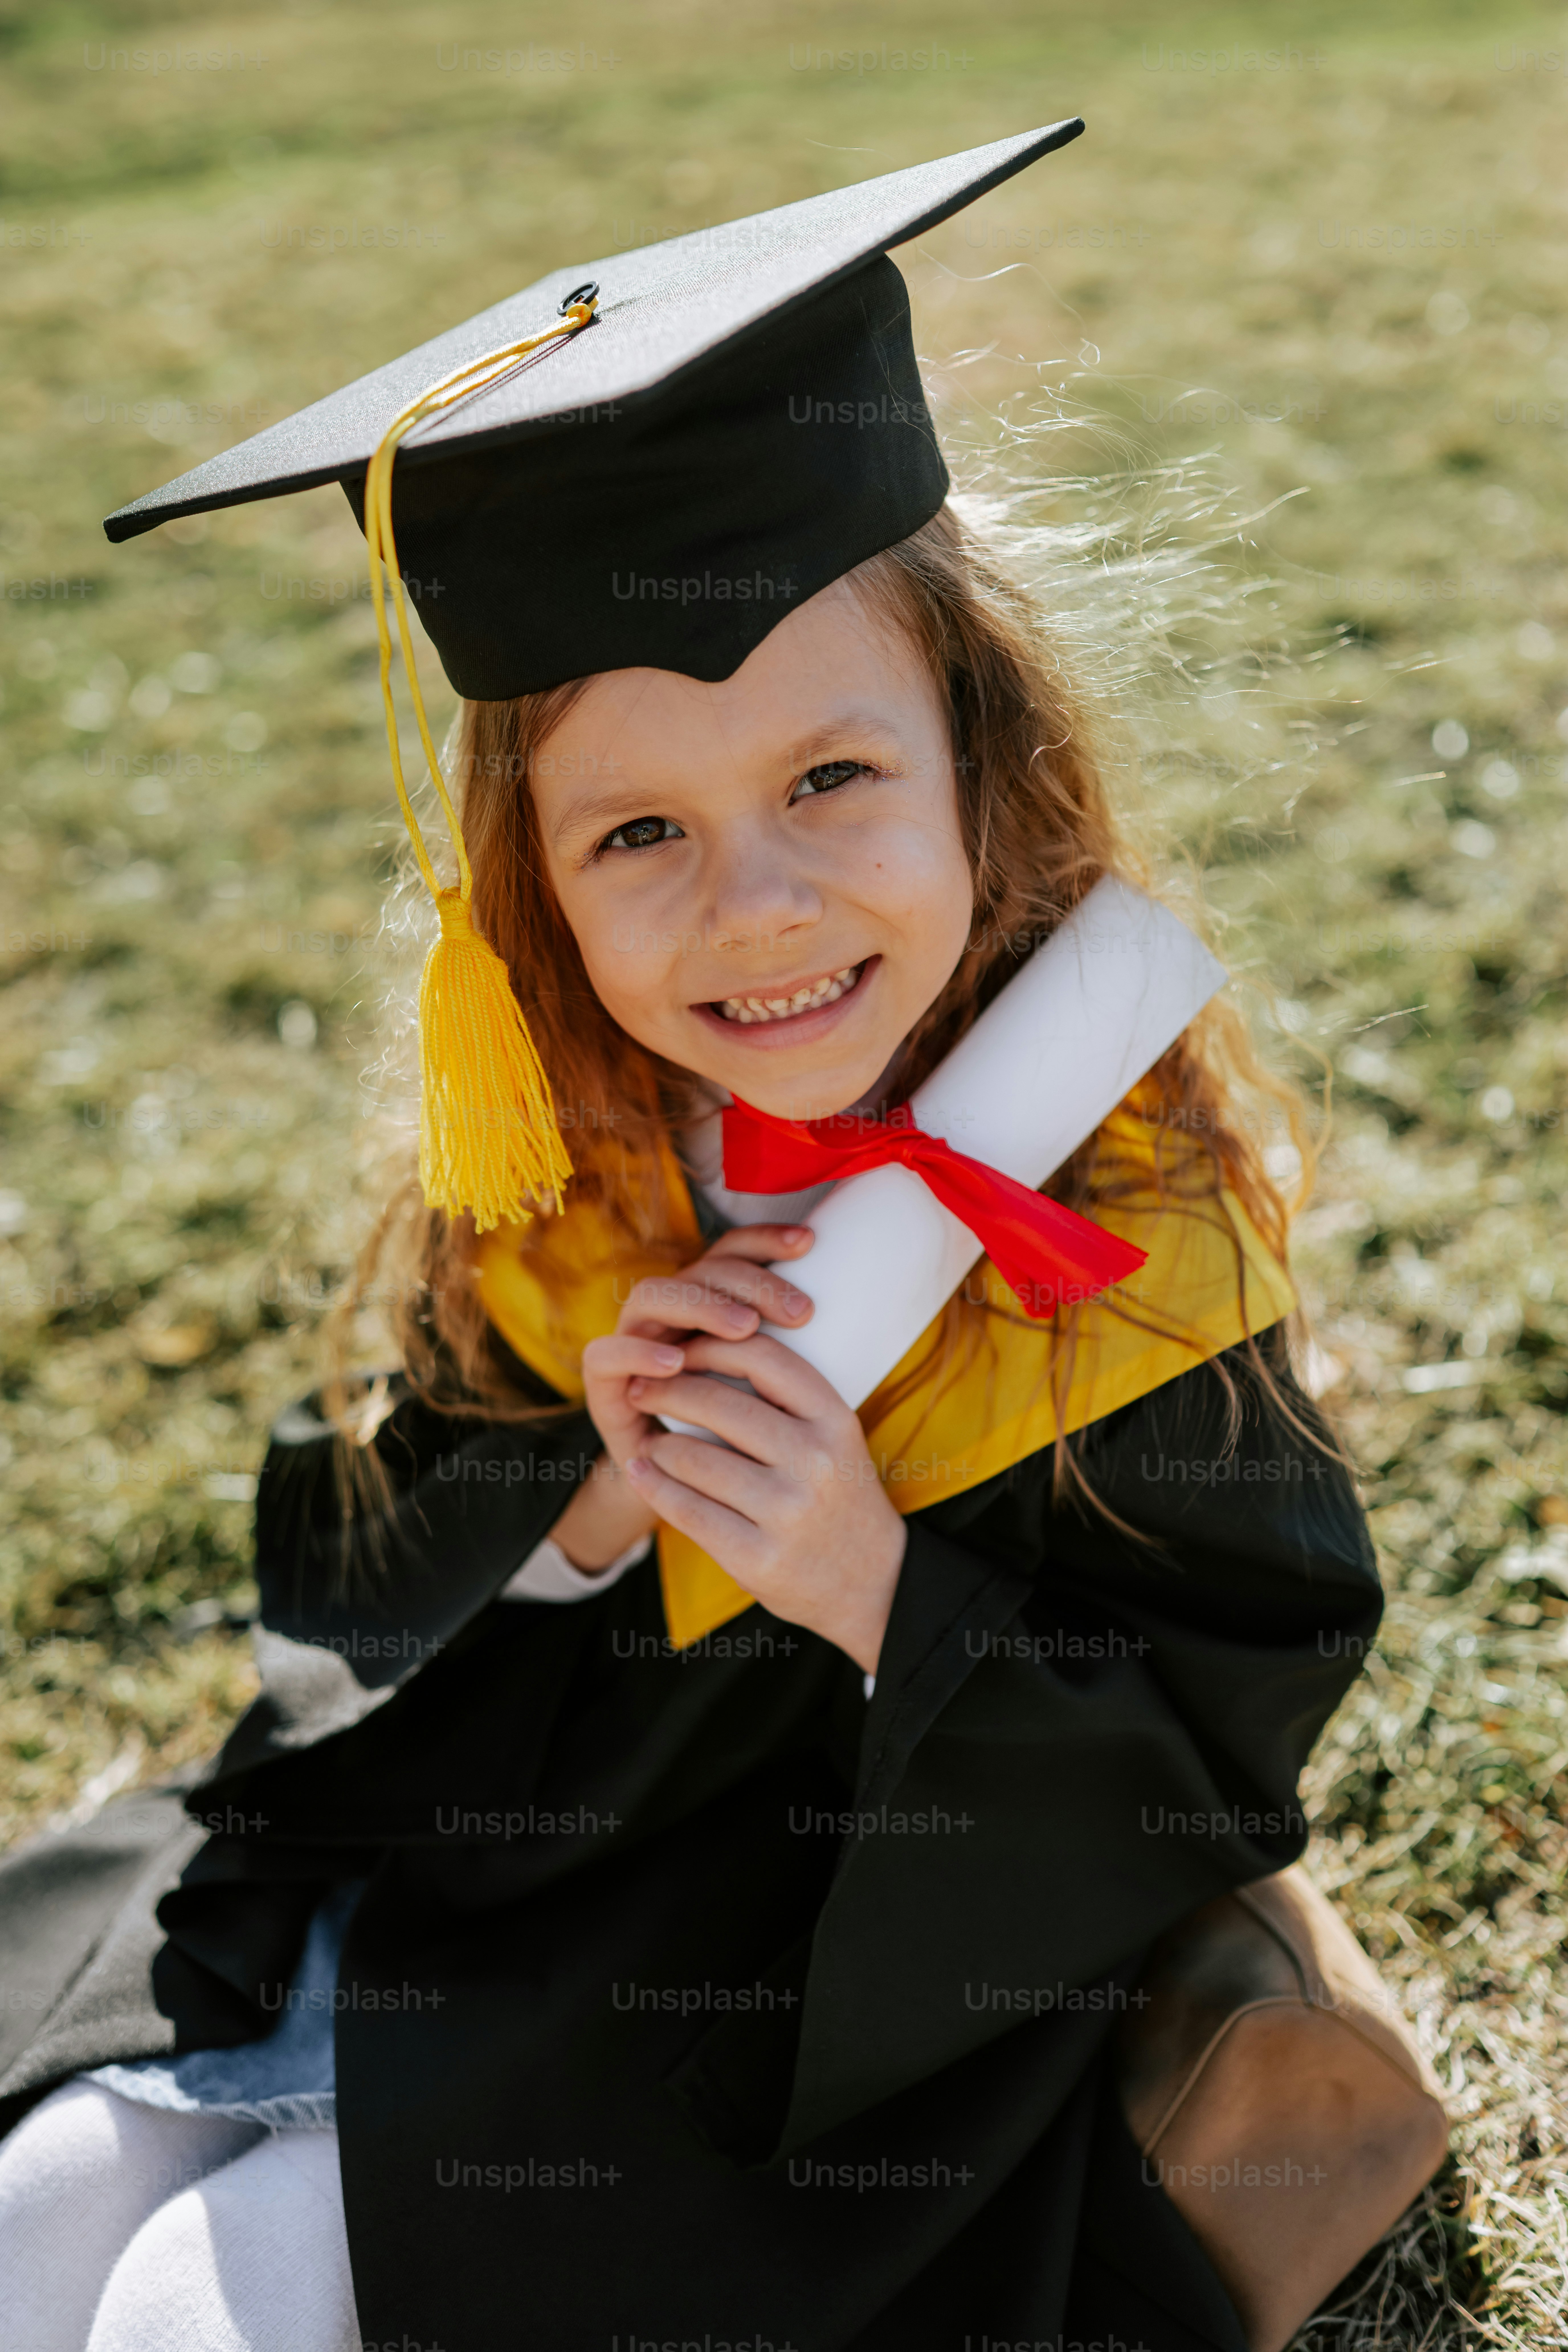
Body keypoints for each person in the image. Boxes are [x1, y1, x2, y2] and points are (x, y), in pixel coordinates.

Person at [0, 124, 1389, 2351]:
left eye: (831, 782)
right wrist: (594, 1498)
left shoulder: (1116, 1250)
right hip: (494, 1843)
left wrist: (871, 1583)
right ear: (527, 888)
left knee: (186, 2312)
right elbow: (357, 1583)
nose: (756, 908)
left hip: (812, 1964)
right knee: (43, 2197)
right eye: (638, 827)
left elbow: (1218, 1741)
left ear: (980, 769)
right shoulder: (557, 1174)